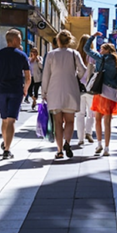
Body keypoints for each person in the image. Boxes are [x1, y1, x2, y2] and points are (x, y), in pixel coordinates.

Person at [42, 30, 86, 159]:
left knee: (57, 122)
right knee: (70, 121)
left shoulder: (51, 55)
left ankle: (59, 150)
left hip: (54, 91)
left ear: (58, 41)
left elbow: (46, 75)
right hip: (71, 90)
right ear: (69, 41)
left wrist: (44, 92)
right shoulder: (74, 54)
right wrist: (76, 75)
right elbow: (82, 71)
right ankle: (67, 143)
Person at [0, 29, 31, 159]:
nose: (20, 41)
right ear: (13, 40)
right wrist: (26, 89)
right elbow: (28, 76)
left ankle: (6, 142)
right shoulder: (22, 55)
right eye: (19, 38)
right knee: (11, 120)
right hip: (16, 90)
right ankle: (7, 149)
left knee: (4, 119)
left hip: (1, 90)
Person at [84, 32, 117, 156]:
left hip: (100, 91)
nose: (100, 51)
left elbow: (86, 49)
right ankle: (107, 148)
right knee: (107, 122)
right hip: (111, 93)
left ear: (106, 50)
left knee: (97, 120)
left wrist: (92, 36)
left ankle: (99, 144)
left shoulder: (101, 59)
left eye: (102, 49)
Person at [76, 35, 96, 146]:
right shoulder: (92, 55)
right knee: (91, 113)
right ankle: (89, 132)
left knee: (79, 114)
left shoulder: (76, 54)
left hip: (78, 88)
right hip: (90, 87)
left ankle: (80, 138)